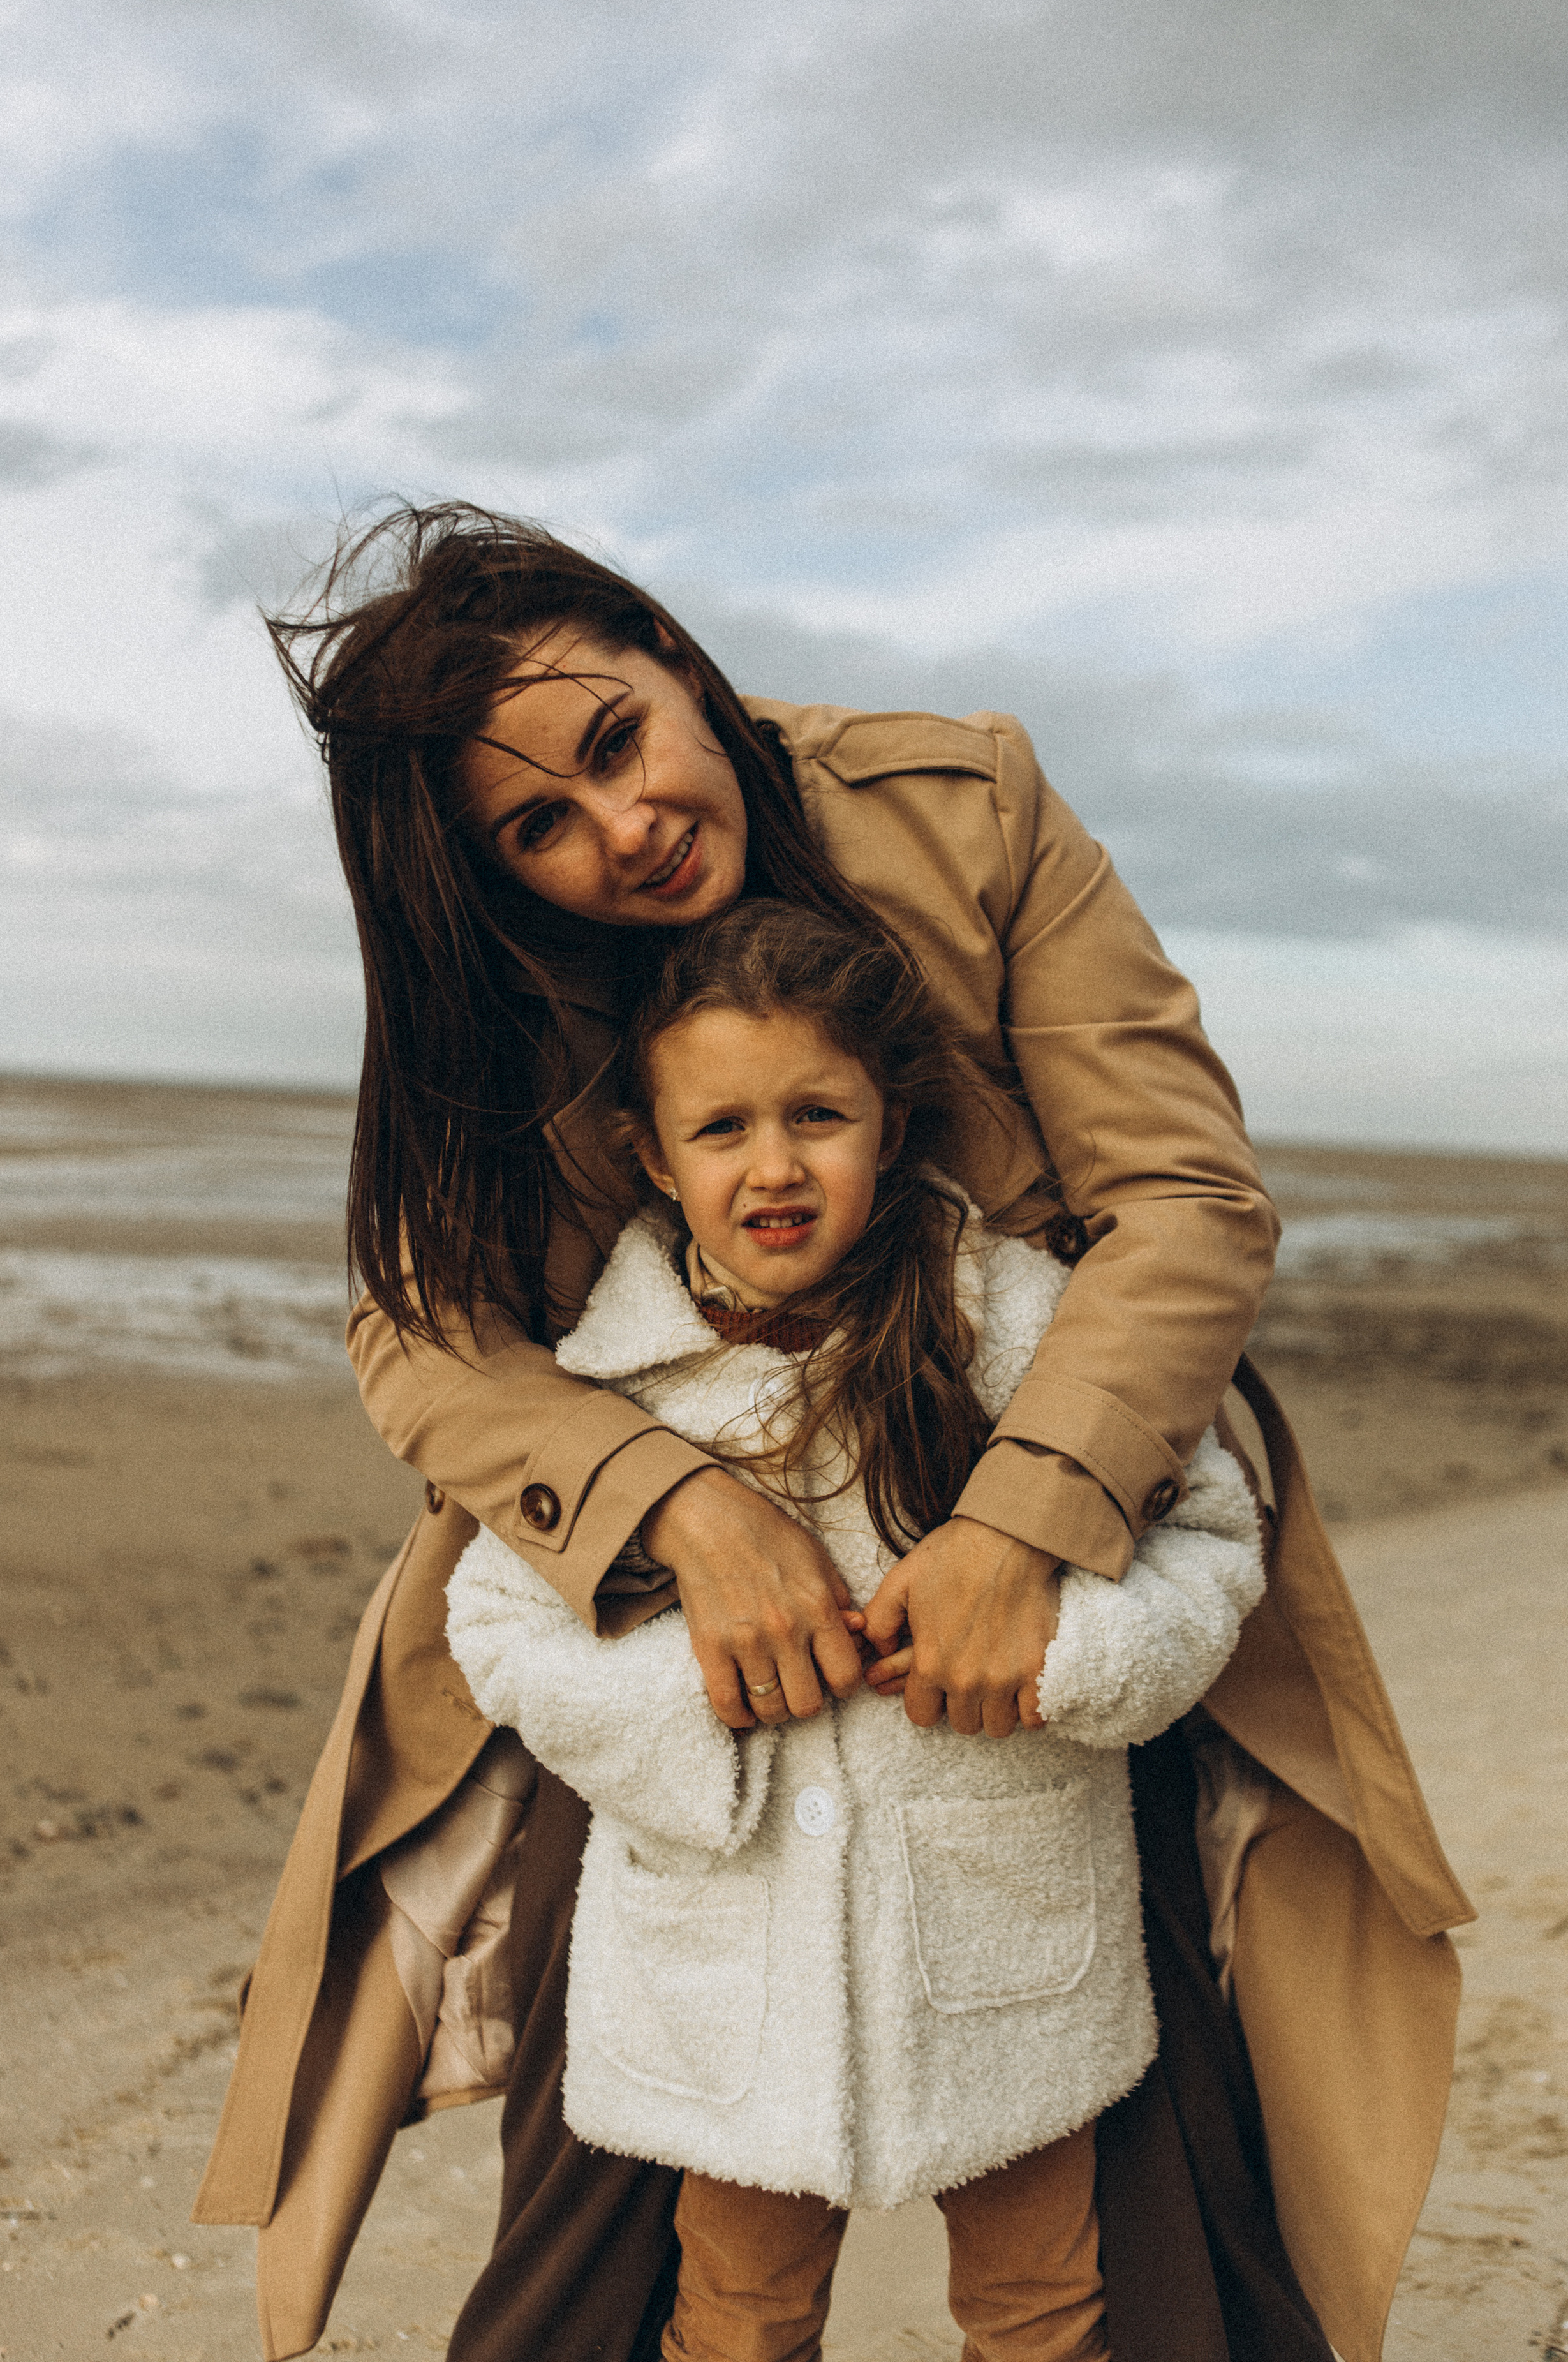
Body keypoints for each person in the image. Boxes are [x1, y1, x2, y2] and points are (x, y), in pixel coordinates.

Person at [191, 505, 1470, 2362]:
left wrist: (1018, 1532)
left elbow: (1186, 1199)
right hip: (666, 1627)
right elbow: (422, 1334)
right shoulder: (501, 973)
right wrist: (677, 1511)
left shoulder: (967, 806)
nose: (617, 833)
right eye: (538, 826)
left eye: (616, 744)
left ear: (669, 653)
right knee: (609, 2130)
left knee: (1139, 2136)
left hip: (1058, 1512)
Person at [445, 898, 1272, 2362]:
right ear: (651, 1153)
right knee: (737, 2314)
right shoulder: (611, 1381)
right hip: (722, 1974)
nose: (773, 1165)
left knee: (1041, 2310)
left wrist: (1067, 1657)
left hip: (1009, 1949)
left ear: (889, 1125)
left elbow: (1208, 1536)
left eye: (818, 1113)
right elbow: (499, 1626)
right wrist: (690, 1707)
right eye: (721, 1129)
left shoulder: (1015, 1318)